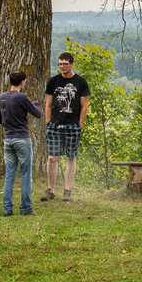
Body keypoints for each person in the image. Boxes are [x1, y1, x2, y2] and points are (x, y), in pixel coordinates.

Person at [42, 51, 90, 202]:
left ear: (71, 64)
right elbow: (48, 104)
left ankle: (67, 191)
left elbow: (84, 105)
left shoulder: (80, 82)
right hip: (55, 125)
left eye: (65, 64)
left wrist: (80, 125)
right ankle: (51, 190)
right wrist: (48, 122)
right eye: (60, 64)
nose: (62, 66)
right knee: (52, 158)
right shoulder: (53, 81)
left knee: (71, 157)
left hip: (72, 125)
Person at [0, 71, 42, 216]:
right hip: (22, 139)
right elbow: (37, 114)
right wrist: (36, 105)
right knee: (26, 174)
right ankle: (25, 208)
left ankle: (7, 209)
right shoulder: (22, 97)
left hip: (8, 140)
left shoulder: (1, 97)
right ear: (22, 82)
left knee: (10, 175)